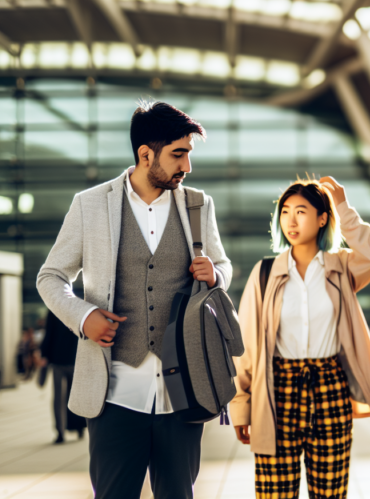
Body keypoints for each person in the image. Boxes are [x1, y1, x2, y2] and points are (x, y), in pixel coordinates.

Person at [37, 102, 231, 499]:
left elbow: (223, 266)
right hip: (113, 394)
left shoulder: (198, 205)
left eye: (189, 153)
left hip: (184, 392)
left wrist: (216, 274)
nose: (187, 166)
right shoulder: (90, 205)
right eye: (178, 153)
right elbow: (50, 277)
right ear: (146, 154)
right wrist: (83, 315)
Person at [231, 176, 370, 499]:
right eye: (285, 211)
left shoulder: (342, 268)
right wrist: (241, 405)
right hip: (277, 391)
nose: (291, 220)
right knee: (275, 493)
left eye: (301, 211)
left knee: (330, 494)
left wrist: (343, 207)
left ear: (322, 219)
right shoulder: (265, 273)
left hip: (329, 387)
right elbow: (246, 346)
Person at [40, 310, 86, 444]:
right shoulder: (77, 309)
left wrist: (44, 355)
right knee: (76, 396)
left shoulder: (53, 310)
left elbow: (49, 334)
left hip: (58, 360)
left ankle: (60, 432)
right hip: (74, 360)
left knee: (58, 398)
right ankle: (78, 427)